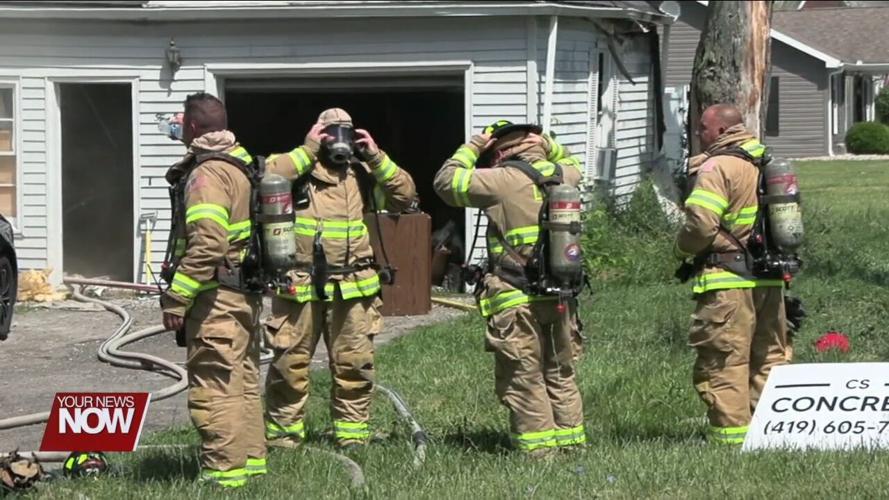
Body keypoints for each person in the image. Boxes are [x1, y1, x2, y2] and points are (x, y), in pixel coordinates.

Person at [262, 108, 417, 449]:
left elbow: (404, 196)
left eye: (345, 132)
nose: (338, 141)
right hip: (300, 284)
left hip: (353, 285)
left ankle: (352, 435)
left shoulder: (362, 175)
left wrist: (376, 156)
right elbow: (266, 176)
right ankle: (283, 436)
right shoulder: (295, 169)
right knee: (289, 364)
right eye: (332, 132)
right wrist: (308, 148)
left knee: (354, 364)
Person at [432, 120, 586, 457]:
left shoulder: (501, 180)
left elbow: (445, 182)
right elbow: (573, 160)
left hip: (516, 297)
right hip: (560, 293)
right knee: (560, 371)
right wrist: (548, 144)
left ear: (499, 152)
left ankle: (539, 454)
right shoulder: (565, 175)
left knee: (524, 376)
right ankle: (572, 448)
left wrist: (474, 145)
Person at [160, 93, 265, 488]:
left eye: (181, 122)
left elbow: (207, 243)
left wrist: (178, 297)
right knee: (242, 381)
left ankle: (224, 475)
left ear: (191, 126)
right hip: (241, 295)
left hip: (216, 298)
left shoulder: (207, 175)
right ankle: (251, 464)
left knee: (215, 387)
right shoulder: (240, 165)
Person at [674, 103, 789, 445]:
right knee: (770, 357)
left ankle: (731, 440)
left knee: (725, 359)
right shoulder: (766, 162)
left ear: (721, 131)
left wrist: (681, 250)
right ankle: (771, 435)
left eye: (702, 127)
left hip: (728, 281)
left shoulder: (718, 166)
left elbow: (701, 224)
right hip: (770, 278)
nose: (698, 133)